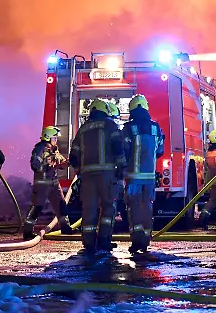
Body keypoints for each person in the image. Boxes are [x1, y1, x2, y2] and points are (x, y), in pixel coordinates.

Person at [69, 98, 126, 256]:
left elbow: (73, 155)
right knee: (109, 207)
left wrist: (79, 170)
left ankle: (89, 243)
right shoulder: (110, 125)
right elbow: (118, 147)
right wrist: (122, 166)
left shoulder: (83, 129)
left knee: (89, 209)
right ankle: (104, 240)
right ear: (105, 111)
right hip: (107, 175)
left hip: (87, 176)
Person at [121, 94, 165, 254]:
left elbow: (123, 150)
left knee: (133, 209)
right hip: (149, 178)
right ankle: (145, 241)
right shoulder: (156, 128)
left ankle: (136, 241)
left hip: (133, 177)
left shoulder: (128, 128)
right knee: (147, 207)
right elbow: (160, 151)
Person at [23, 126, 75, 240]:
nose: (56, 140)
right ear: (48, 137)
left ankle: (66, 227)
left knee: (61, 205)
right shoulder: (39, 149)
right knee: (37, 207)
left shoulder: (54, 149)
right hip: (42, 184)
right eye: (54, 138)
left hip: (54, 183)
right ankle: (27, 231)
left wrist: (67, 162)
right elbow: (35, 165)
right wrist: (51, 166)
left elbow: (60, 161)